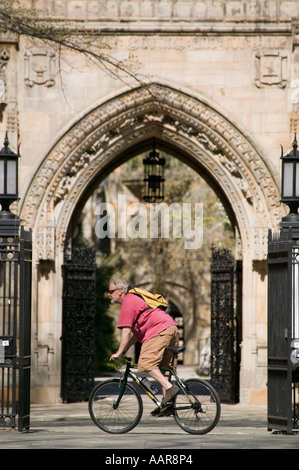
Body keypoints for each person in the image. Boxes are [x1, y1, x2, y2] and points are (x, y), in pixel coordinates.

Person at [108, 279, 180, 411]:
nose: (109, 294)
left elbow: (126, 331)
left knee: (146, 363)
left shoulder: (128, 301)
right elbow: (136, 334)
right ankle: (167, 406)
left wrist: (118, 352)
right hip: (170, 327)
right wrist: (126, 348)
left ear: (119, 292)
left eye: (111, 291)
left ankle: (170, 388)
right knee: (164, 370)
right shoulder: (135, 298)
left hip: (159, 330)